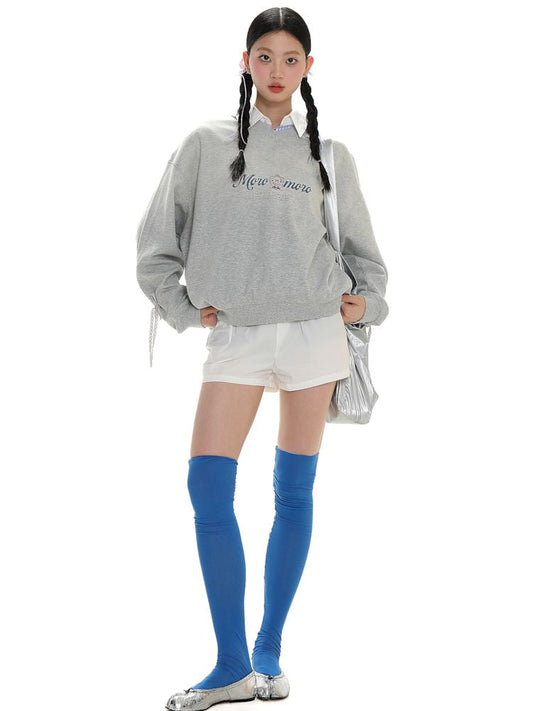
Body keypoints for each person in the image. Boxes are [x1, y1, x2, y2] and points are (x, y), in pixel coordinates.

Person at [136, 7, 389, 710]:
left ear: (308, 67)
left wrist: (364, 306)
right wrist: (183, 309)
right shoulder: (203, 144)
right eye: (265, 56)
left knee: (293, 493)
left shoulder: (329, 155)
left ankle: (267, 651)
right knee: (207, 489)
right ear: (244, 61)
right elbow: (155, 244)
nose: (277, 70)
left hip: (314, 334)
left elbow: (366, 260)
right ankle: (230, 665)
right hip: (237, 337)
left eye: (290, 58)